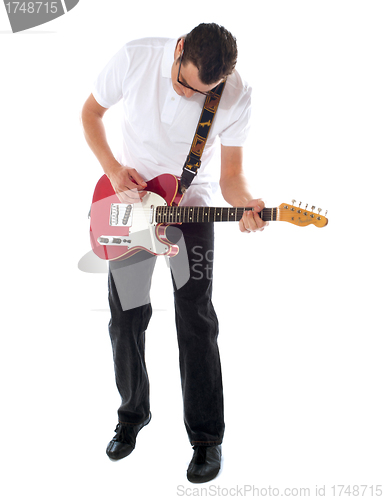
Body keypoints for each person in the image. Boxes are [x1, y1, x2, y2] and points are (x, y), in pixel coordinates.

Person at [81, 22, 268, 483]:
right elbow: (90, 113)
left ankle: (206, 438)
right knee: (125, 314)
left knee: (196, 314)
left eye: (203, 91)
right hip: (131, 202)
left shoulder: (236, 93)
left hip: (193, 204)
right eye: (184, 83)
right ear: (179, 48)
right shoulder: (136, 56)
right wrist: (113, 169)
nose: (190, 96)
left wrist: (246, 204)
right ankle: (132, 415)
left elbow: (231, 176)